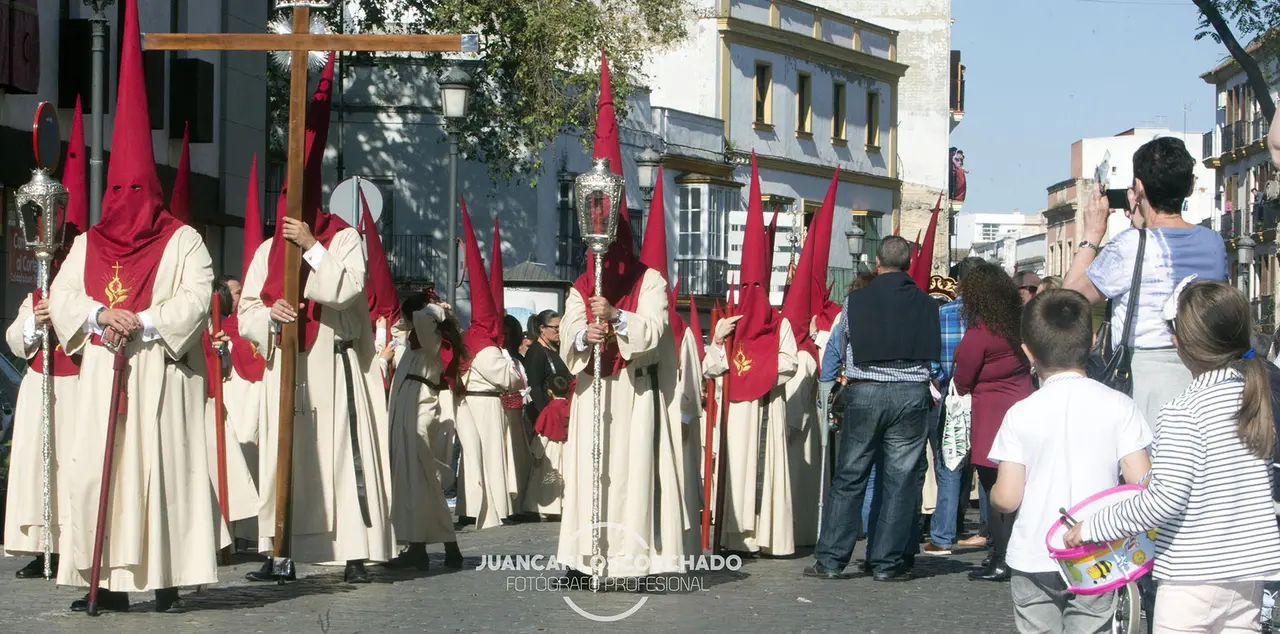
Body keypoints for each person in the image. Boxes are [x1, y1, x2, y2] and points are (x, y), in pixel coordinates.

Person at [47, 0, 217, 611]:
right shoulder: (90, 241)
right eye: (115, 189)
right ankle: (106, 581)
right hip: (101, 372)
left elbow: (199, 296)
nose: (124, 200)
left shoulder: (183, 238)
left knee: (158, 477)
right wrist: (97, 315)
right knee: (101, 476)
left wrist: (141, 319)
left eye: (134, 189)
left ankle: (165, 576)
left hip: (156, 371)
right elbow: (62, 294)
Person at [239, 52, 393, 584]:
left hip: (332, 362)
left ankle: (351, 550)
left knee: (336, 456)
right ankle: (277, 551)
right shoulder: (265, 249)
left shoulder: (343, 237)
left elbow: (348, 290)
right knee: (287, 458)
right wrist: (269, 314)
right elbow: (246, 313)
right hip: (287, 362)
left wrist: (309, 248)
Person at [1066, 280, 1280, 633]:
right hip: (1249, 571)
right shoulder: (1252, 397)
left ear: (1179, 343)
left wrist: (1093, 526)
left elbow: (1164, 500)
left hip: (1192, 575)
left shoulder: (1185, 410)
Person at [555, 52, 688, 582]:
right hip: (592, 389)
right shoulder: (582, 283)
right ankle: (584, 558)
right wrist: (584, 330)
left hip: (632, 394)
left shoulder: (649, 279)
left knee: (630, 479)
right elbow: (568, 328)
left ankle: (631, 559)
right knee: (587, 473)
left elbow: (655, 330)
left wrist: (619, 318)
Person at [989, 289, 1152, 634]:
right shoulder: (1119, 405)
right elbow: (1142, 484)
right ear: (1092, 341)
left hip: (1033, 552)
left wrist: (992, 498)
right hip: (1099, 552)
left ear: (1027, 353)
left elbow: (1007, 498)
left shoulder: (1020, 413)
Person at [1064, 137, 1228, 430]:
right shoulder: (1214, 242)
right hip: (1208, 375)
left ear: (1138, 188)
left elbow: (1069, 297)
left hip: (1147, 380)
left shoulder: (1131, 245)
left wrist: (1092, 233)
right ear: (1190, 185)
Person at [808, 236, 940, 581]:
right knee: (900, 481)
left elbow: (845, 341)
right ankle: (886, 563)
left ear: (877, 263)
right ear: (909, 264)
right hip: (910, 393)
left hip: (865, 391)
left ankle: (831, 560)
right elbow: (933, 355)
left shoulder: (855, 302)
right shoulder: (928, 305)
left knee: (850, 476)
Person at [3, 100, 88, 580]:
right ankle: (40, 547)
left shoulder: (80, 274)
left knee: (70, 462)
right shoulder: (40, 278)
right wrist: (37, 321)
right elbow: (16, 340)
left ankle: (71, 543)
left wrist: (66, 314)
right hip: (39, 383)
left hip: (75, 381)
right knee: (39, 465)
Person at [952, 262, 1035, 582]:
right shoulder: (1018, 324)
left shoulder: (981, 329)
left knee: (996, 491)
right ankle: (1015, 551)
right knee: (1021, 488)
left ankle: (1002, 558)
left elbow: (964, 377)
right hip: (1022, 403)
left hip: (992, 414)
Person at [453, 203, 524, 530]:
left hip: (473, 402)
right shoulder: (487, 349)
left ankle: (473, 506)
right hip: (485, 406)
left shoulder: (471, 340)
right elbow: (509, 380)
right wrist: (511, 367)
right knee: (489, 458)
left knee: (474, 459)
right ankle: (490, 508)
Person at [385, 291, 464, 570]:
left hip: (419, 406)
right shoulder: (420, 337)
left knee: (421, 477)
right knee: (411, 479)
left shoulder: (433, 339)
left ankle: (439, 544)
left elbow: (419, 317)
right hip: (408, 404)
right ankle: (419, 545)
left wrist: (434, 307)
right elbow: (401, 324)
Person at [922, 257, 987, 557]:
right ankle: (990, 533)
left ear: (958, 281)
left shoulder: (941, 314)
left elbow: (932, 358)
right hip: (987, 393)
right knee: (989, 463)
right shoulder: (992, 317)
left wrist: (939, 378)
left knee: (949, 462)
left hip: (952, 393)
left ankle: (943, 535)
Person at [525, 375, 572, 517]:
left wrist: (537, 453)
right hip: (568, 447)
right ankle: (565, 506)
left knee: (547, 478)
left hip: (551, 448)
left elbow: (543, 432)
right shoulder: (571, 406)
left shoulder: (550, 408)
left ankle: (549, 508)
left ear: (550, 391)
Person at [523, 310, 570, 426]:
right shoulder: (536, 353)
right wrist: (546, 415)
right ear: (542, 328)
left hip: (562, 410)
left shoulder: (558, 349)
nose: (559, 331)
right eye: (556, 328)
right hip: (548, 414)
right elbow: (535, 387)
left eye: (561, 327)